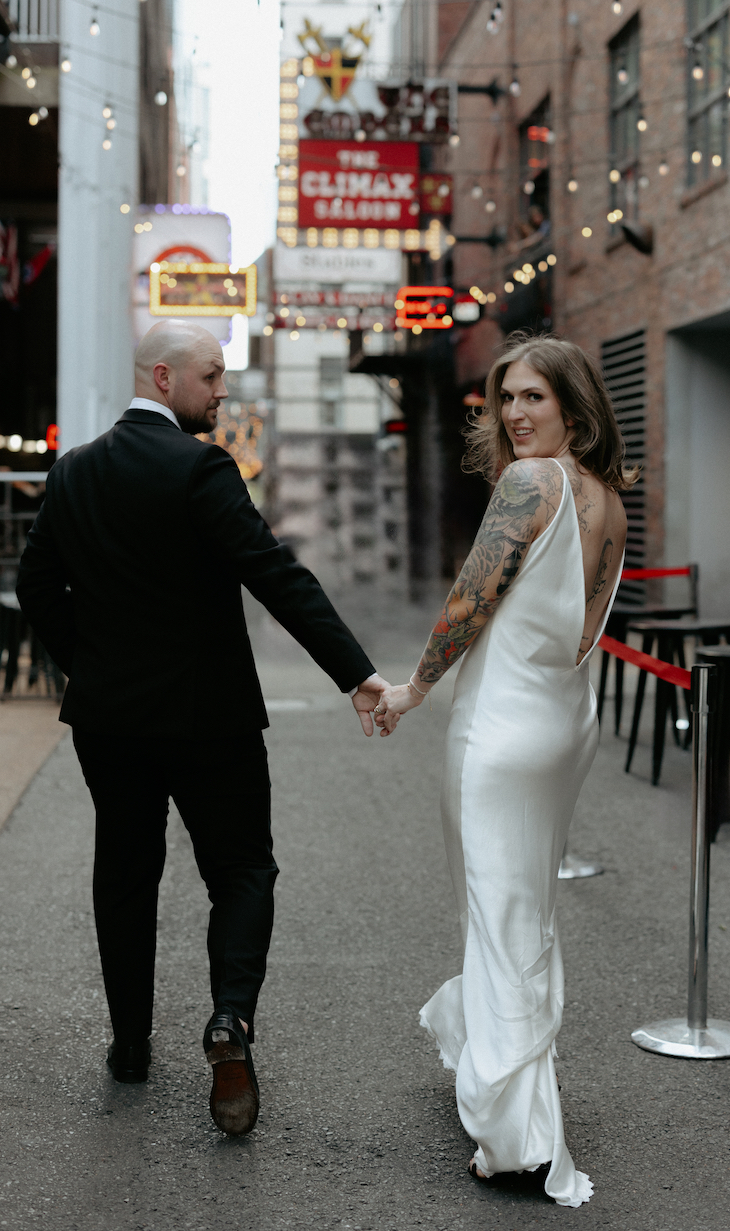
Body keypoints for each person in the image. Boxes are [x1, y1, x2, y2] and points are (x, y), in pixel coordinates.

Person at [16, 321, 387, 1137]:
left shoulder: (73, 470)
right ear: (163, 376)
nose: (222, 392)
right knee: (243, 867)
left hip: (109, 719)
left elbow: (36, 580)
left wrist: (90, 661)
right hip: (207, 716)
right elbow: (273, 571)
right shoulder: (200, 467)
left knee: (124, 869)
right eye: (212, 377)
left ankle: (128, 1045)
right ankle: (230, 1022)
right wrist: (356, 675)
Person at [373, 333, 637, 1207]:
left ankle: (517, 1133)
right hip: (564, 722)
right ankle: (506, 1077)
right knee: (522, 908)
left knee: (497, 914)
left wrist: (413, 687)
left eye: (535, 397)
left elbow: (469, 603)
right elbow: (581, 624)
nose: (516, 414)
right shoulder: (609, 498)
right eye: (505, 399)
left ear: (574, 405)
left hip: (503, 728)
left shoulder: (532, 484)